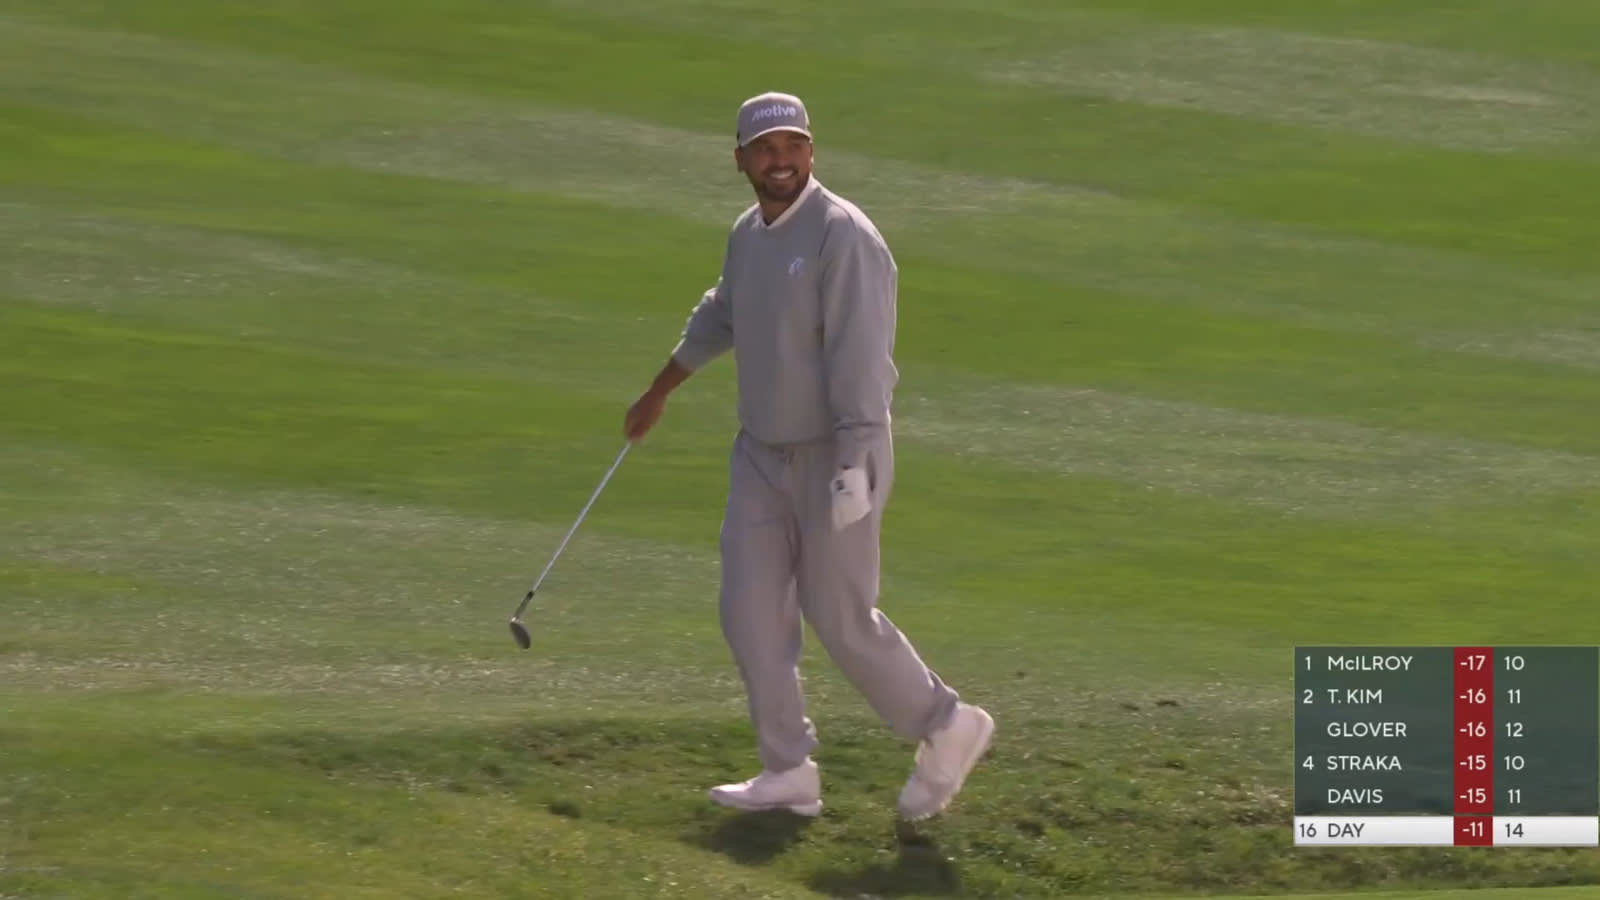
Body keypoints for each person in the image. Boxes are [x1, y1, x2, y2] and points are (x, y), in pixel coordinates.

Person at [623, 91, 994, 821]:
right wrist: (660, 389)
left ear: (812, 152)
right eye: (765, 149)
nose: (781, 160)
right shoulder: (748, 234)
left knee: (839, 614)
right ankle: (788, 768)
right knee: (749, 613)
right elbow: (723, 311)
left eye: (793, 145)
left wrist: (855, 464)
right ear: (740, 161)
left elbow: (863, 360)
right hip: (760, 456)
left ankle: (947, 723)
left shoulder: (843, 237)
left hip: (837, 453)